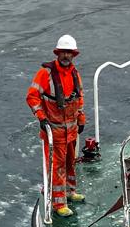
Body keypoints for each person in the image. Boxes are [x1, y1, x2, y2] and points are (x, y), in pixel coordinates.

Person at [27, 34, 86, 216]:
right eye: (63, 52)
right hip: (54, 130)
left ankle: (70, 192)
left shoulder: (75, 73)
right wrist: (41, 118)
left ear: (73, 55)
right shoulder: (45, 74)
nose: (66, 56)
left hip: (71, 131)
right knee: (57, 166)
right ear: (57, 53)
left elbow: (79, 97)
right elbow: (32, 96)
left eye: (69, 52)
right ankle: (58, 203)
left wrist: (81, 117)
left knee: (70, 162)